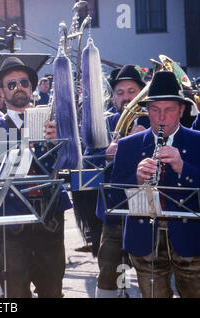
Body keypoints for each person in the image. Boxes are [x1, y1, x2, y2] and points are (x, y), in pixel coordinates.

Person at [0, 57, 72, 297]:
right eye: (11, 84)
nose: (19, 87)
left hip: (49, 216)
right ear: (1, 92)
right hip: (11, 219)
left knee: (53, 290)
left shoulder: (53, 124)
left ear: (31, 88)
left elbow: (68, 166)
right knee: (15, 292)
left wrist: (57, 143)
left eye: (24, 82)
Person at [108, 71, 200, 298]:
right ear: (147, 111)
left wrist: (182, 168)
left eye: (169, 110)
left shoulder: (197, 141)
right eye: (155, 110)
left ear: (181, 110)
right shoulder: (128, 145)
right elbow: (113, 200)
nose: (161, 117)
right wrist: (136, 180)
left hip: (190, 239)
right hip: (144, 240)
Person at [92, 64, 151, 298]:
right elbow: (87, 161)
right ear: (113, 97)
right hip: (114, 211)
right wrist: (106, 153)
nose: (126, 98)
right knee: (110, 269)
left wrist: (142, 139)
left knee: (150, 272)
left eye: (132, 91)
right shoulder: (104, 124)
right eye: (120, 92)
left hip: (148, 209)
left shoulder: (153, 121)